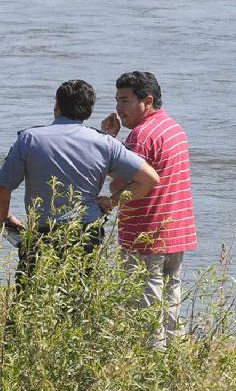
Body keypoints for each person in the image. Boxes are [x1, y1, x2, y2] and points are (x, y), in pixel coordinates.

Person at [0, 79, 159, 293]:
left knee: (30, 301)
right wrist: (112, 201)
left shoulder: (29, 139)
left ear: (57, 105)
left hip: (41, 235)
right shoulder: (105, 143)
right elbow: (149, 179)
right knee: (76, 303)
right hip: (85, 236)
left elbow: (3, 187)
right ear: (88, 112)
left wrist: (5, 221)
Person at [101, 71, 197, 349]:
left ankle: (149, 361)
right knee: (170, 295)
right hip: (176, 229)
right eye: (117, 100)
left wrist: (107, 142)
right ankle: (172, 355)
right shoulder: (173, 127)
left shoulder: (141, 136)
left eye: (126, 101)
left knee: (144, 300)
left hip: (146, 232)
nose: (119, 108)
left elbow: (122, 180)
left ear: (148, 101)